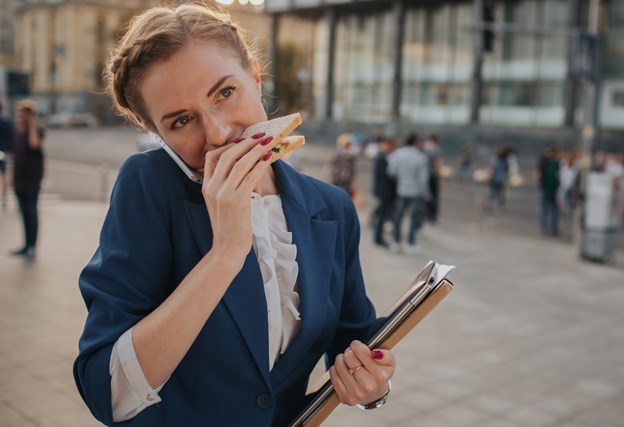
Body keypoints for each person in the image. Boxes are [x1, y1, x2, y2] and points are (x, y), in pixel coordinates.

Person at [73, 4, 395, 426]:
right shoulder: (149, 186)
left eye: (225, 93)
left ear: (256, 78)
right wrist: (225, 253)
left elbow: (349, 338)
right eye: (182, 121)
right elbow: (107, 391)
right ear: (158, 135)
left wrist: (373, 383)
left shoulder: (331, 207)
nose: (219, 134)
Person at [9, 99, 45, 259]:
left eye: (23, 113)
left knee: (31, 213)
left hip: (32, 180)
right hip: (19, 180)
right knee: (24, 214)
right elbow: (15, 157)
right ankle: (26, 245)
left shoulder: (37, 131)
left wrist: (32, 125)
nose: (20, 116)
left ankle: (32, 246)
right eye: (19, 113)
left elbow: (34, 144)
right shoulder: (17, 133)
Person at [387, 133, 428, 254]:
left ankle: (396, 241)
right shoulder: (420, 156)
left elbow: (391, 171)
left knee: (398, 216)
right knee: (413, 217)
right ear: (416, 142)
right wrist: (425, 192)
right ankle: (410, 243)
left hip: (401, 188)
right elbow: (422, 178)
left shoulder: (398, 154)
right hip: (415, 191)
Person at [371, 137, 397, 247]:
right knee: (381, 215)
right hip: (384, 190)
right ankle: (378, 238)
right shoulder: (381, 157)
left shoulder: (384, 156)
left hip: (384, 190)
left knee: (382, 214)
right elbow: (384, 175)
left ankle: (378, 236)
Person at [536, 146, 560, 236]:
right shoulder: (543, 162)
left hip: (554, 188)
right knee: (543, 209)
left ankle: (553, 228)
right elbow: (538, 173)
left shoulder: (557, 163)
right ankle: (543, 228)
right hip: (544, 187)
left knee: (554, 210)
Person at [423, 134, 443, 223]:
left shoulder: (426, 150)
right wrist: (440, 178)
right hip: (433, 175)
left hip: (426, 175)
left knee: (427, 195)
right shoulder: (437, 150)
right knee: (433, 196)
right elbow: (438, 164)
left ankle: (427, 214)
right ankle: (432, 215)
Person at [486, 147, 510, 212]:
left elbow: (492, 170)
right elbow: (506, 172)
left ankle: (493, 206)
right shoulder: (505, 162)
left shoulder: (495, 162)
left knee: (493, 193)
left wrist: (489, 178)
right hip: (501, 180)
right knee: (499, 193)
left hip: (495, 179)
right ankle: (500, 205)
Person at [0, 102, 12, 211]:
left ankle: (4, 199)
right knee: (4, 176)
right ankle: (4, 199)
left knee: (4, 176)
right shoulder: (6, 121)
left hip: (3, 151)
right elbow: (11, 136)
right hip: (4, 151)